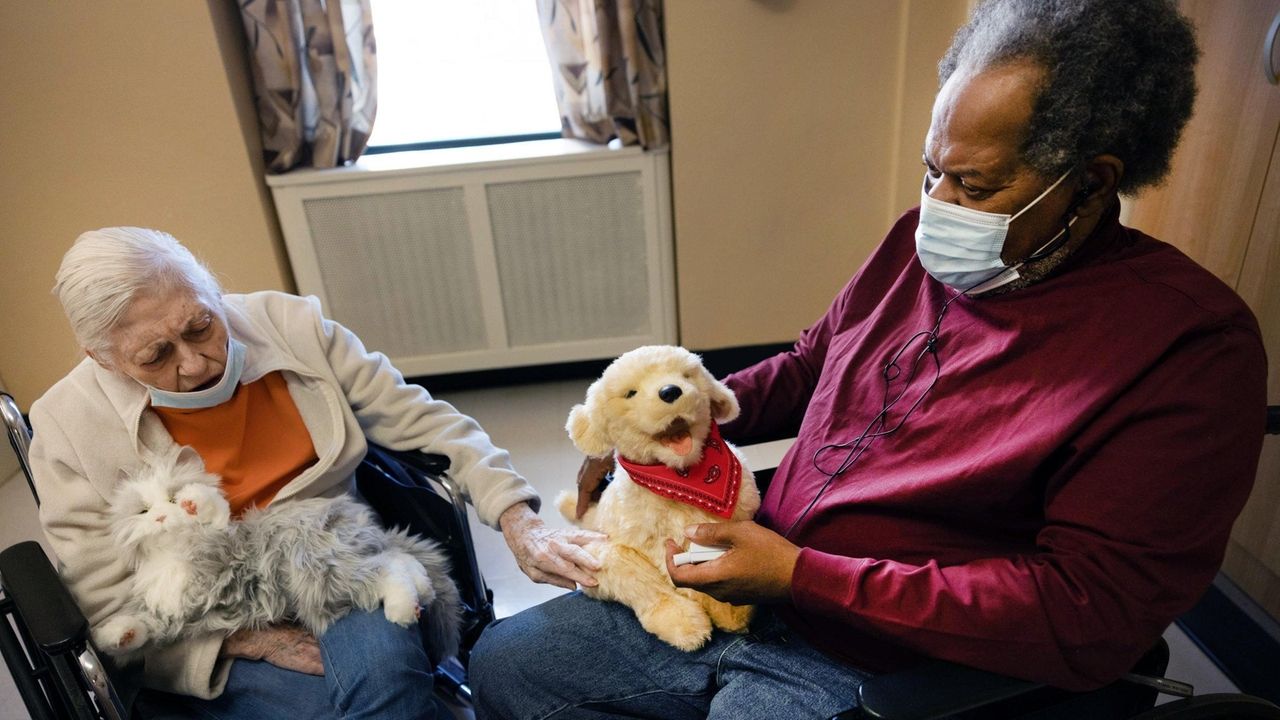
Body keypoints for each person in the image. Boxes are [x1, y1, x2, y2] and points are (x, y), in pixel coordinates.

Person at [469, 1, 1268, 717]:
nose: (937, 208)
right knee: (507, 664)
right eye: (932, 171)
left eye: (974, 185)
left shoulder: (1185, 348)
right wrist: (671, 421)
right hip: (751, 570)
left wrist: (800, 577)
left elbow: (1084, 611)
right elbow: (817, 364)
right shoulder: (918, 249)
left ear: (1090, 186)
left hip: (889, 659)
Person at [29, 226, 604, 719]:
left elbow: (427, 422)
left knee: (383, 673)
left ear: (211, 290)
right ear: (102, 358)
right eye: (155, 356)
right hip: (202, 620)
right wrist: (252, 641)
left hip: (330, 564)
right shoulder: (68, 422)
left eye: (201, 326)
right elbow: (102, 596)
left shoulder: (289, 325)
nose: (195, 362)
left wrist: (517, 518)